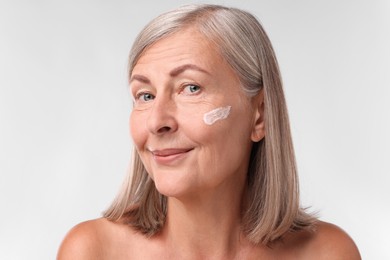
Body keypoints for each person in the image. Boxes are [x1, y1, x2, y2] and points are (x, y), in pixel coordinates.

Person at [57, 4, 361, 259]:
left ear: (260, 116)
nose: (157, 121)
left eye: (191, 88)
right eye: (145, 95)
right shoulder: (93, 251)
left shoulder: (327, 253)